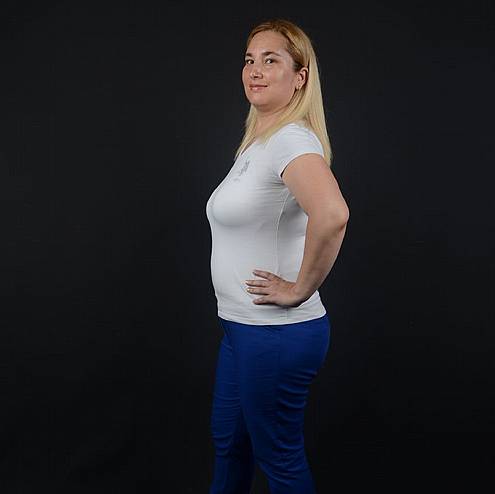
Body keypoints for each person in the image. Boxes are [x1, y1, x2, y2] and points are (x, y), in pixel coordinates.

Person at [205, 18, 349, 494]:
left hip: (275, 333)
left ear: (300, 76)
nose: (255, 70)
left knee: (279, 461)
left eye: (271, 60)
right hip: (242, 328)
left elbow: (332, 214)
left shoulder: (291, 140)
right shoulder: (260, 141)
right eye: (250, 60)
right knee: (230, 446)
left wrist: (300, 288)